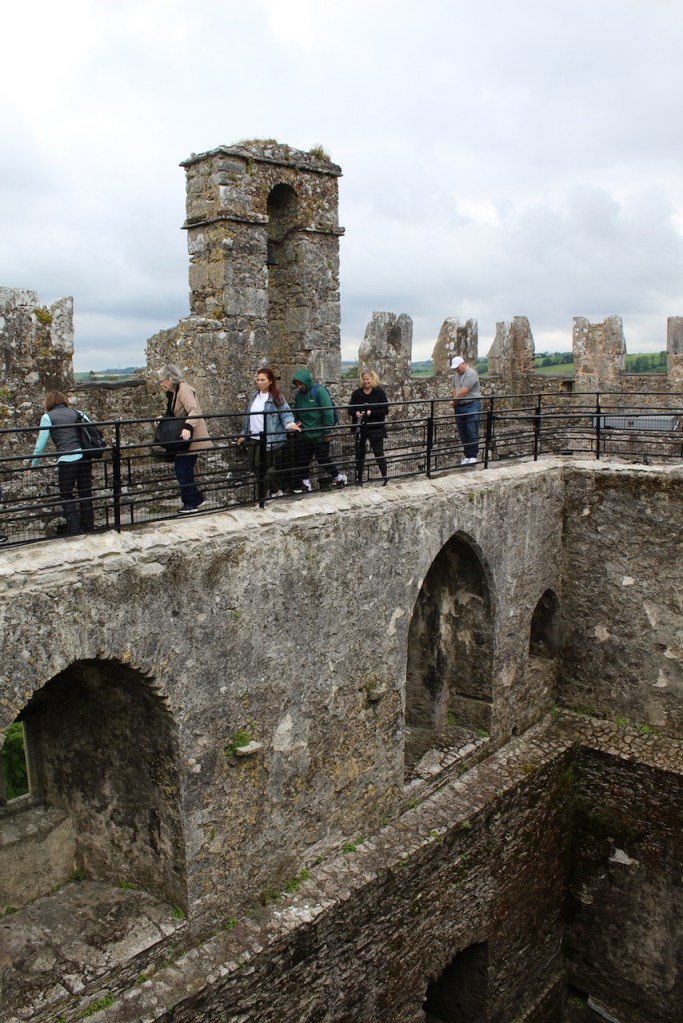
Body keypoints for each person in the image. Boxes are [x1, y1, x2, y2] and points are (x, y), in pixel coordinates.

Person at [31, 390, 94, 535]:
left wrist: (34, 464)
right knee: (85, 492)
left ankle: (75, 530)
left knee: (66, 495)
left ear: (48, 402)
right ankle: (89, 527)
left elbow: (40, 444)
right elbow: (91, 430)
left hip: (67, 459)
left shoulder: (48, 417)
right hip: (85, 457)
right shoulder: (78, 413)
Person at [236, 368, 301, 497]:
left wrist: (290, 424)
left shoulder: (277, 397)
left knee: (263, 469)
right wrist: (244, 434)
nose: (259, 382)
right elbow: (248, 418)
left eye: (262, 380)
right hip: (254, 437)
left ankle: (261, 500)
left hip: (269, 439)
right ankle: (276, 491)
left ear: (270, 381)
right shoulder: (255, 396)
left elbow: (285, 414)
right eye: (258, 380)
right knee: (254, 467)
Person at [157, 365, 212, 513]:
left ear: (170, 378)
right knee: (182, 469)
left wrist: (187, 427)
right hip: (184, 439)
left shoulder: (184, 389)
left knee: (183, 470)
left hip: (190, 439)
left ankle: (191, 504)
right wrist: (163, 418)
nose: (161, 384)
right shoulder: (174, 392)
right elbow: (175, 412)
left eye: (162, 380)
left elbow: (193, 410)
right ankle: (196, 499)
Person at [291, 369, 346, 493]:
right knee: (302, 460)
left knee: (323, 459)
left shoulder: (319, 391)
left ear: (306, 381)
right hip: (304, 434)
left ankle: (338, 477)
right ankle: (306, 484)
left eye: (301, 383)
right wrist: (296, 424)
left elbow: (327, 412)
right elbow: (297, 412)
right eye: (297, 384)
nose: (299, 387)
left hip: (319, 434)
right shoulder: (299, 396)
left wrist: (327, 431)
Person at [347, 370, 389, 485]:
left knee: (378, 452)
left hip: (376, 427)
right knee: (360, 454)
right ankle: (359, 479)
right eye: (364, 379)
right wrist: (356, 413)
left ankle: (385, 476)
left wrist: (371, 412)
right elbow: (350, 409)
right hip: (361, 427)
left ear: (372, 379)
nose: (366, 382)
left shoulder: (379, 393)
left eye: (368, 379)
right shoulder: (357, 393)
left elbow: (385, 410)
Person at [451, 356, 482, 464]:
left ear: (463, 363)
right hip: (460, 406)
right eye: (454, 368)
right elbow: (454, 389)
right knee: (463, 431)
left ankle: (473, 455)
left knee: (471, 430)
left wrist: (454, 400)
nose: (456, 369)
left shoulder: (471, 373)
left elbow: (464, 390)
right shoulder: (456, 375)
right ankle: (467, 456)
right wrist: (455, 401)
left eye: (457, 367)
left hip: (472, 405)